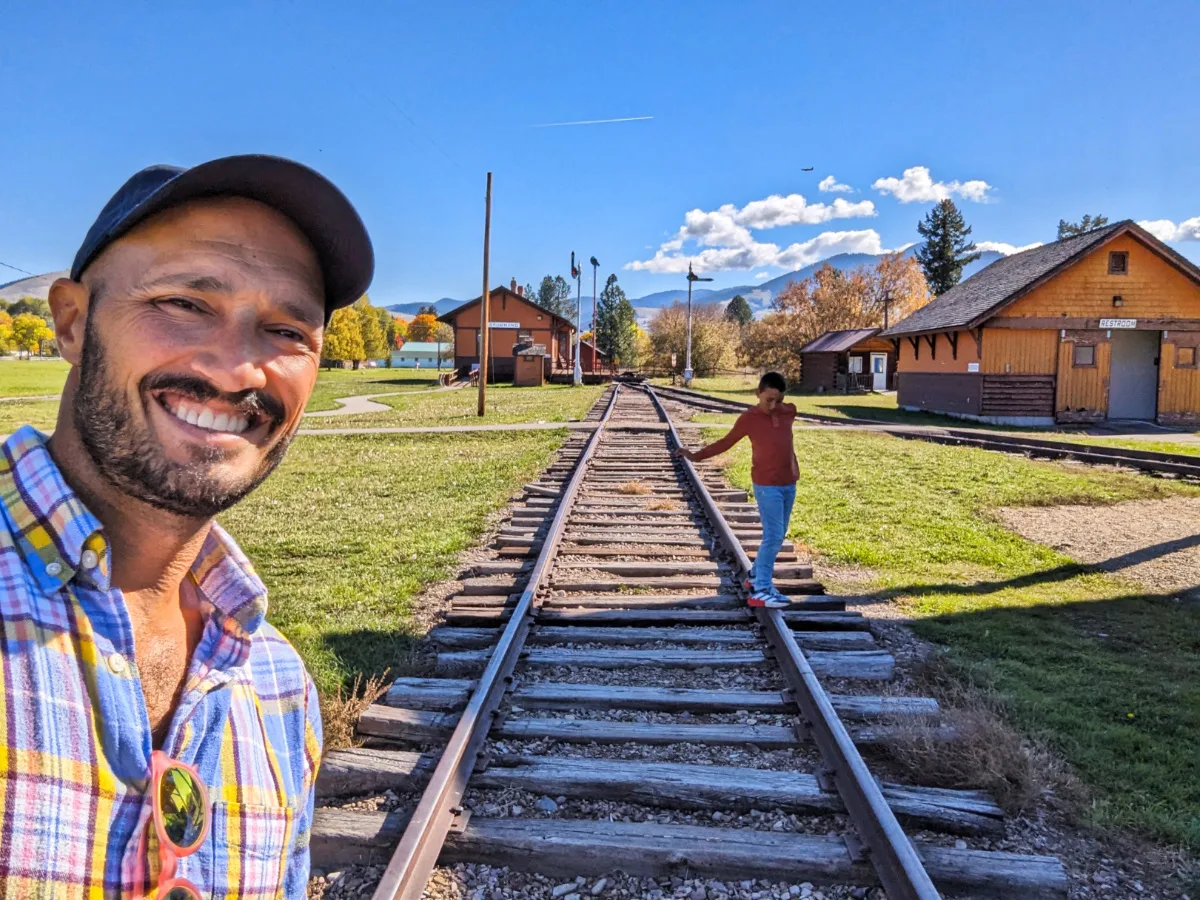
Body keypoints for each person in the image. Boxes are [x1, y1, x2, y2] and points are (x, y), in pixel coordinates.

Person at [0, 156, 373, 898]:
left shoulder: (278, 685)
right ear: (71, 322)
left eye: (285, 330)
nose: (238, 370)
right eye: (185, 304)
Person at [675, 372, 798, 608]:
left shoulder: (789, 411)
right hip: (766, 484)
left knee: (778, 535)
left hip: (789, 482)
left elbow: (785, 421)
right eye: (768, 400)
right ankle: (761, 589)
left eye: (778, 400)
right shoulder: (748, 419)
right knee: (773, 535)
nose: (773, 406)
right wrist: (695, 455)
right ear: (758, 394)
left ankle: (755, 578)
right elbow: (725, 442)